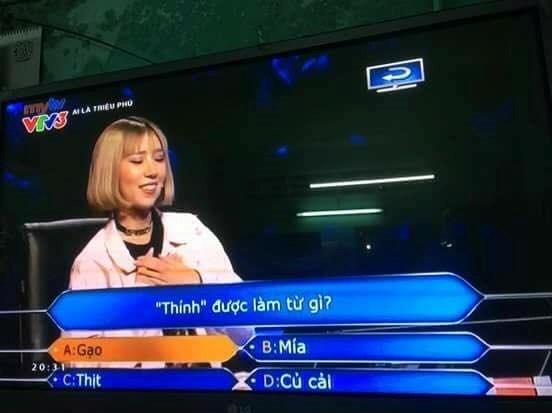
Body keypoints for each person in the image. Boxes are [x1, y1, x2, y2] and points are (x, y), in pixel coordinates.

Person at [66, 116, 252, 368]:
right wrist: (145, 305)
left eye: (159, 158)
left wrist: (198, 283)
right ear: (110, 171)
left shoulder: (192, 231)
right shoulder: (92, 262)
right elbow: (82, 365)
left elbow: (247, 332)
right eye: (137, 161)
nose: (152, 171)